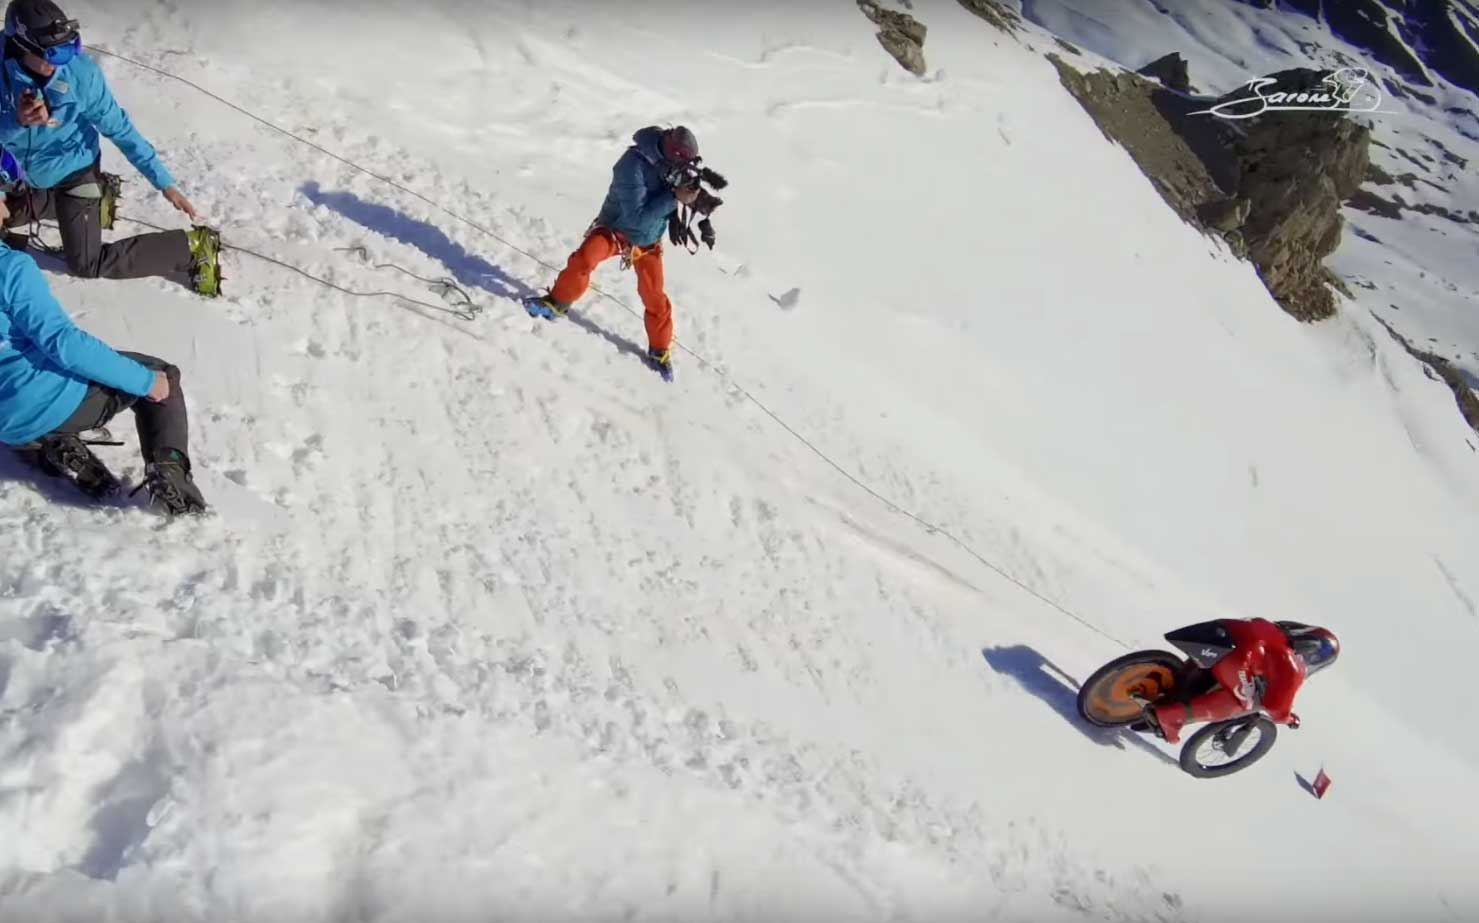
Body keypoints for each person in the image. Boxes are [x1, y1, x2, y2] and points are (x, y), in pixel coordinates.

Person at [0, 144, 206, 515]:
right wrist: (147, 383)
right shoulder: (10, 268)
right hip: (41, 399)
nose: (7, 207)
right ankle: (173, 480)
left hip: (4, 424)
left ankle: (47, 444)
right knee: (161, 377)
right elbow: (63, 344)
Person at [0, 0, 220, 295]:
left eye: (69, 49)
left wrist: (165, 183)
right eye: (53, 54)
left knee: (86, 264)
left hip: (74, 172)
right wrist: (16, 123)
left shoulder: (81, 75)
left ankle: (189, 248)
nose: (61, 63)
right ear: (21, 45)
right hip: (19, 173)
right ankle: (93, 202)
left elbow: (120, 129)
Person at [524, 125, 703, 382]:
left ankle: (659, 351)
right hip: (616, 230)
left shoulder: (672, 167)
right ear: (670, 152)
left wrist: (695, 198)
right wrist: (674, 196)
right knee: (583, 260)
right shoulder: (630, 165)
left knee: (654, 296)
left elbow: (672, 200)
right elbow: (636, 218)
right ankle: (556, 304)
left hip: (648, 242)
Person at [1146, 618, 1340, 743]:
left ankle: (1176, 684)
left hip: (1223, 632)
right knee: (1243, 702)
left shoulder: (1274, 627)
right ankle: (1172, 716)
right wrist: (1289, 718)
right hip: (1237, 660)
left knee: (1213, 669)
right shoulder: (1294, 669)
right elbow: (1275, 707)